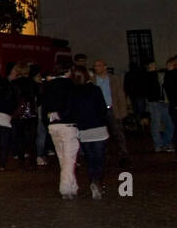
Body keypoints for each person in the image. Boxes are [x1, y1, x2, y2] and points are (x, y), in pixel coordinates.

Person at [41, 64, 81, 198]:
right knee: (69, 158)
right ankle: (65, 187)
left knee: (62, 157)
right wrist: (63, 115)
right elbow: (72, 104)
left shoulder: (48, 86)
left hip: (53, 126)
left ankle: (72, 186)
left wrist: (48, 120)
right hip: (67, 124)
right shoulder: (70, 85)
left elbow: (43, 107)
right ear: (69, 72)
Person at [72, 66, 110, 200]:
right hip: (98, 127)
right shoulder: (95, 90)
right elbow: (102, 109)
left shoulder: (73, 92)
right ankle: (97, 181)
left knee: (89, 158)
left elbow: (73, 111)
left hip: (83, 130)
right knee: (99, 158)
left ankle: (93, 180)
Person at [93, 58, 130, 167]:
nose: (97, 68)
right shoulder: (93, 81)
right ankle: (105, 155)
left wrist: (123, 110)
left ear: (105, 67)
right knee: (102, 134)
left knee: (118, 133)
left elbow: (120, 95)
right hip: (100, 111)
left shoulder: (114, 79)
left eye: (99, 65)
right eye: (95, 66)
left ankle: (123, 155)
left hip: (112, 109)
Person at [0, 64, 18, 171]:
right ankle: (3, 163)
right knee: (4, 141)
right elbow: (13, 103)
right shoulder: (8, 90)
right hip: (6, 118)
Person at [141, 61, 174, 153]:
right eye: (152, 65)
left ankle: (166, 143)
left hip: (164, 102)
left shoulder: (159, 74)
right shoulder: (146, 77)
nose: (154, 66)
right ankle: (159, 145)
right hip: (154, 103)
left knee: (170, 124)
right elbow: (146, 89)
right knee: (156, 125)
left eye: (155, 65)